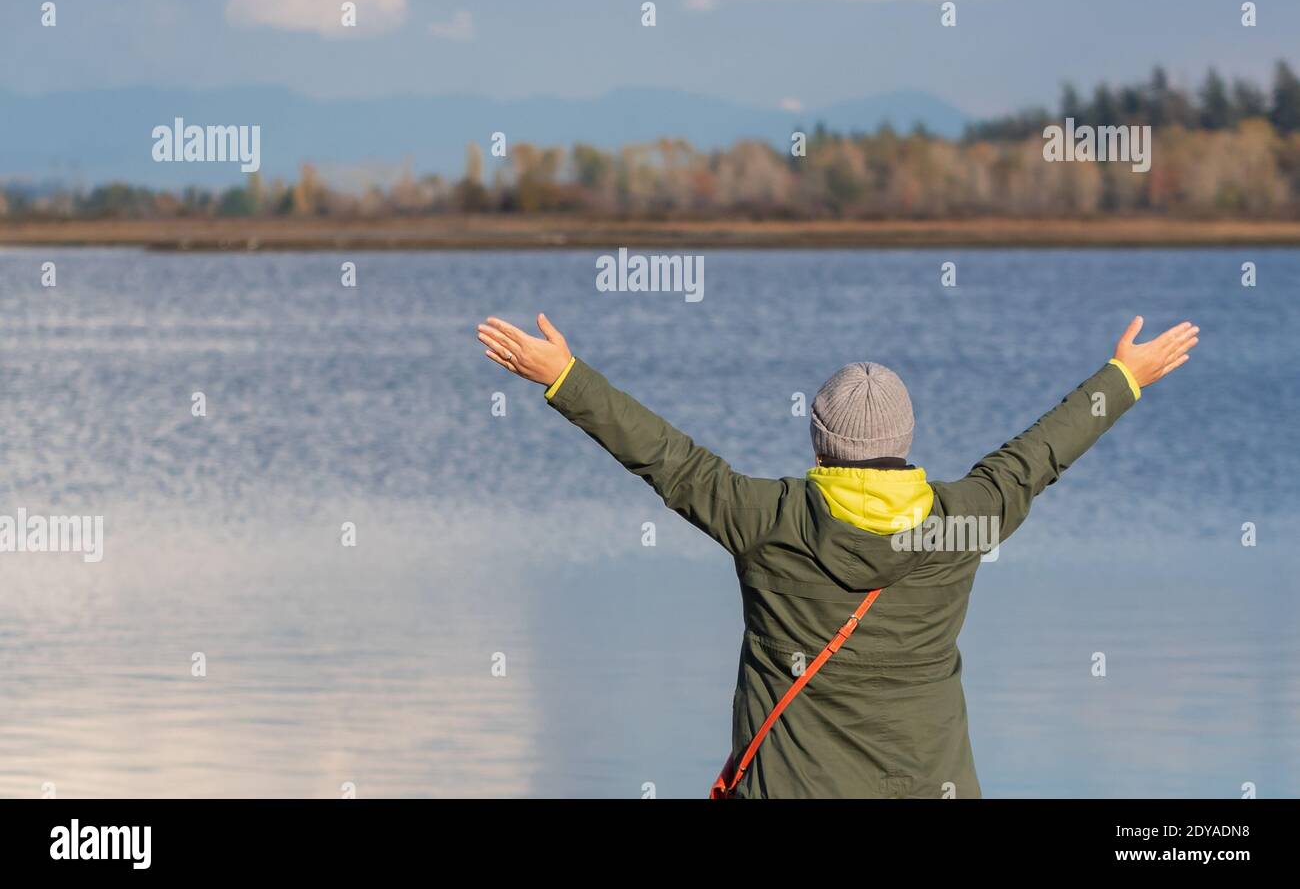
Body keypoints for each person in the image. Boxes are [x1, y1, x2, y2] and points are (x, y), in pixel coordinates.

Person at [476, 312, 1198, 799]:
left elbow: (670, 461)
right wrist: (1123, 377)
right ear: (905, 441)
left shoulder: (768, 520)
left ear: (819, 442)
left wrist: (565, 377)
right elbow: (1036, 456)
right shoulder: (962, 523)